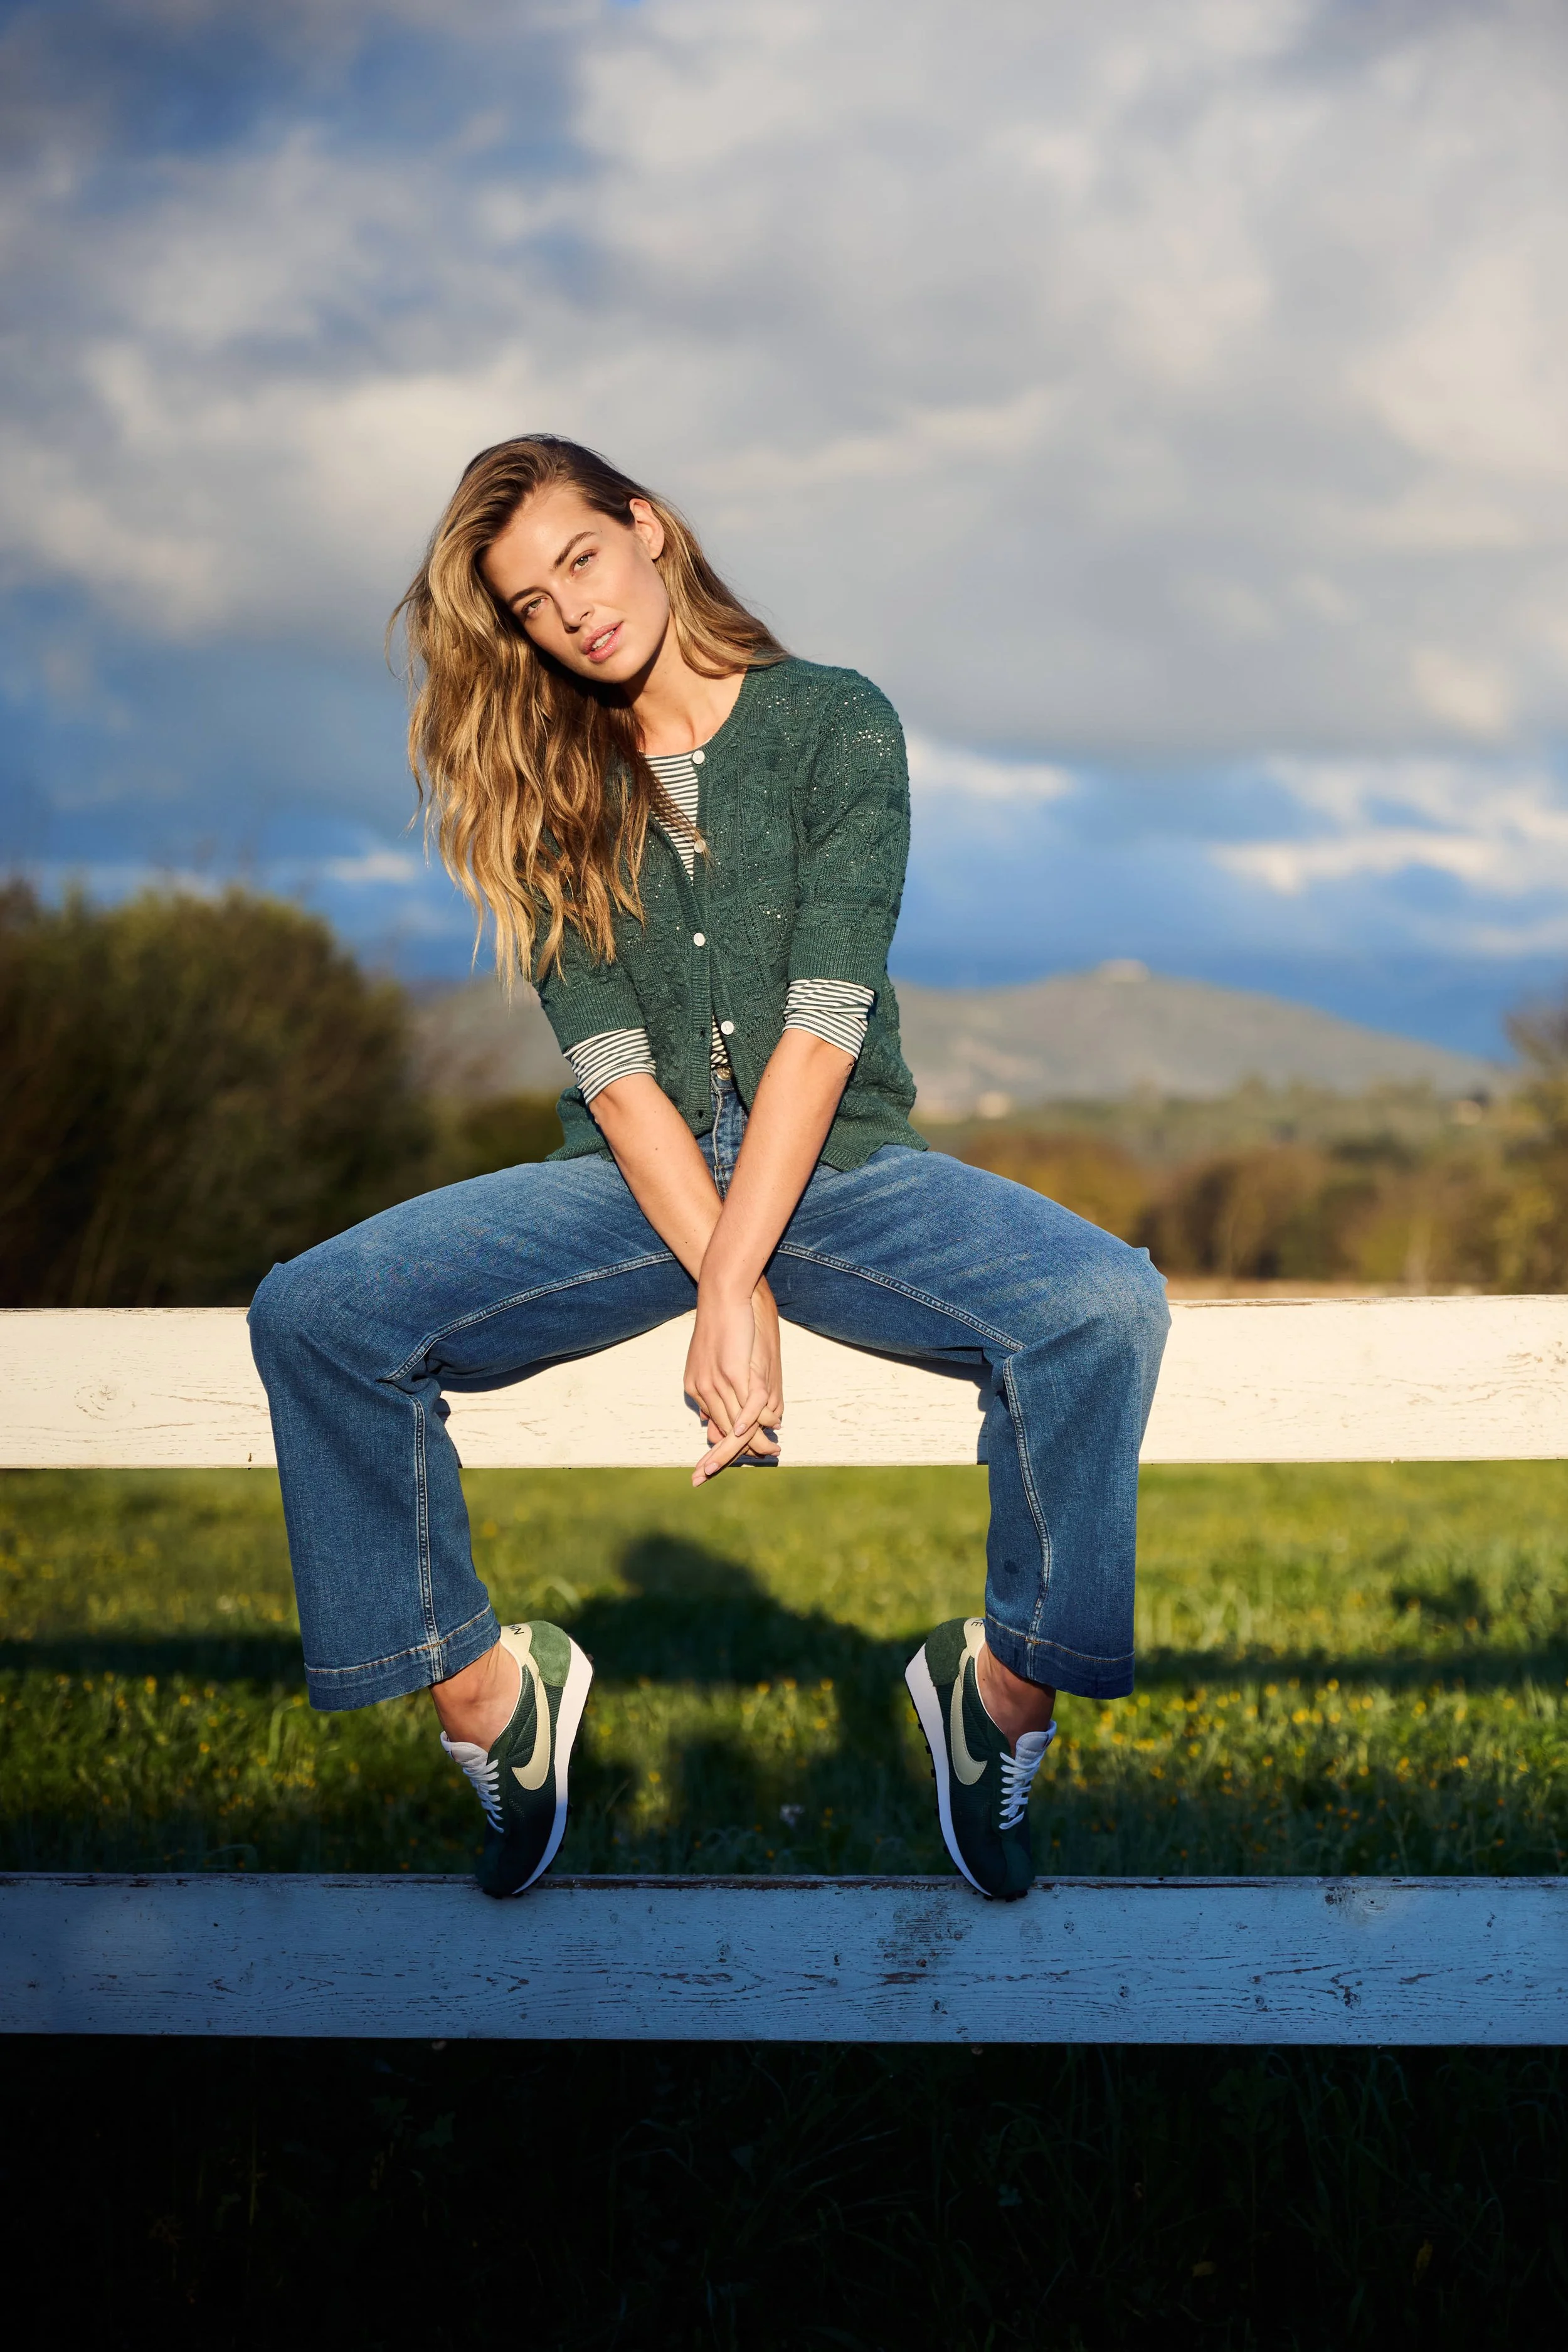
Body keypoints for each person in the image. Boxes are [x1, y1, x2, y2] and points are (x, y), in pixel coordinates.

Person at [248, 435, 1169, 1902]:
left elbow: (823, 1014)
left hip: (844, 1168)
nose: (571, 612)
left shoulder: (832, 724)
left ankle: (997, 1696)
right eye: (532, 604)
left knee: (1100, 1309)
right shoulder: (544, 781)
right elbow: (612, 1072)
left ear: (649, 528)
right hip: (635, 1179)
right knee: (314, 1314)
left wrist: (733, 1280)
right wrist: (711, 1267)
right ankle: (491, 1701)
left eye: (581, 561)